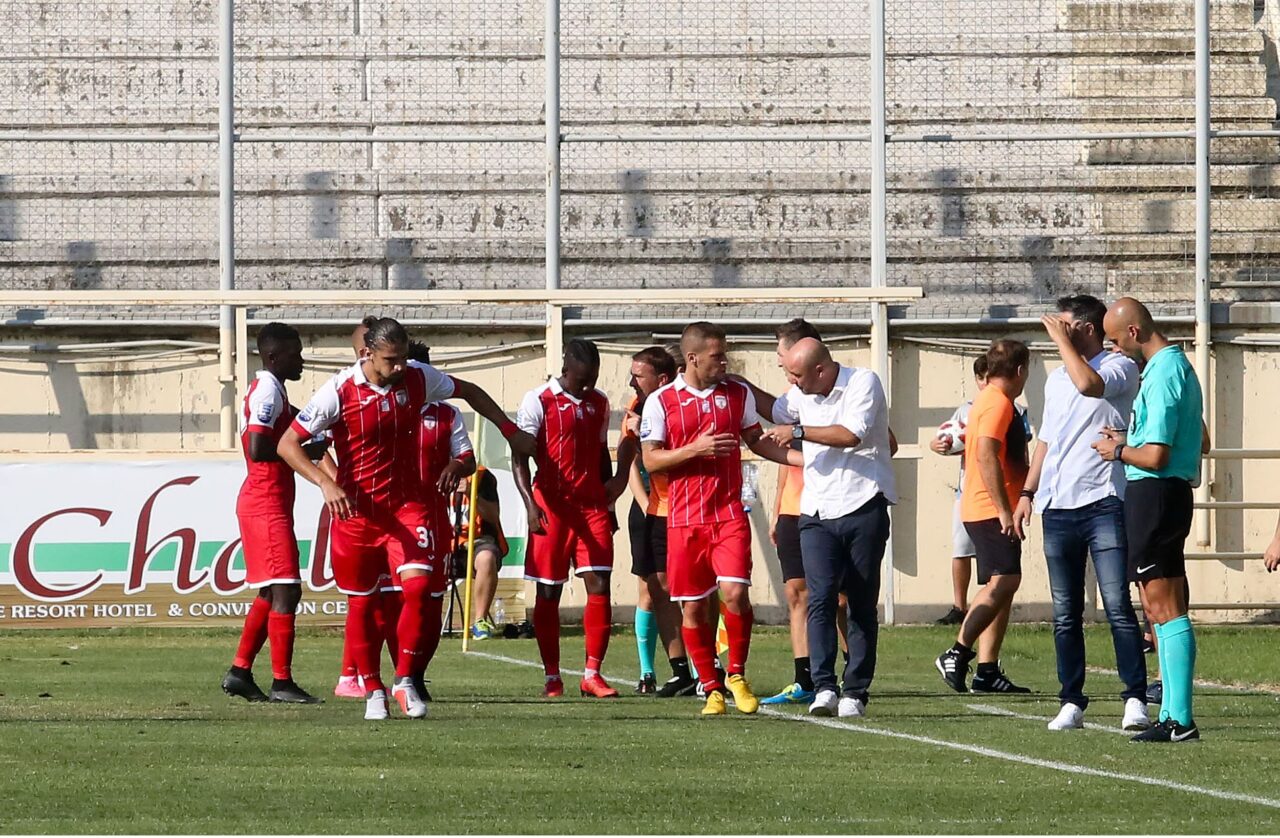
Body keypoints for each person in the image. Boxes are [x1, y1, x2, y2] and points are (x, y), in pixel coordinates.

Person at [277, 316, 534, 720]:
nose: (400, 367)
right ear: (367, 354)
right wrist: (325, 483)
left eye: (403, 358)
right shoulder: (338, 391)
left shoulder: (418, 377)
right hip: (359, 513)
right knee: (363, 603)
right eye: (391, 360)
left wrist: (509, 429)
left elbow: (471, 391)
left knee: (418, 588)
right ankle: (372, 689)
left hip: (407, 506)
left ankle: (405, 680)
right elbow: (288, 443)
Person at [640, 321, 800, 716]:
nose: (725, 361)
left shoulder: (736, 394)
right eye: (717, 356)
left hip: (728, 515)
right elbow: (651, 459)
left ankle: (736, 675)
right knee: (694, 609)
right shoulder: (661, 401)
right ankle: (710, 687)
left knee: (736, 593)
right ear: (692, 358)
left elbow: (756, 441)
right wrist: (695, 449)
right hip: (683, 520)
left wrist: (805, 460)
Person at [1014, 295, 1149, 732]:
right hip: (1058, 506)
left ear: (1087, 329)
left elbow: (1091, 385)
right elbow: (1047, 441)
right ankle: (1071, 700)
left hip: (1104, 501)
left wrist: (1061, 340)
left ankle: (1135, 698)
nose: (1056, 330)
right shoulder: (1056, 380)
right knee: (1066, 612)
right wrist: (1028, 492)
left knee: (1117, 605)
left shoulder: (1119, 366)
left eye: (1066, 324)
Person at [762, 338, 896, 718]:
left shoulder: (863, 382)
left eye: (797, 374)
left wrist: (798, 432)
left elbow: (851, 434)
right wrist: (735, 385)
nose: (792, 382)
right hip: (817, 513)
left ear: (820, 370)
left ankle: (855, 691)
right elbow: (771, 408)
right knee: (819, 598)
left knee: (859, 602)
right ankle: (823, 687)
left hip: (863, 504)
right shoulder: (799, 393)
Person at [1094, 297, 1204, 743]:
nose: (1115, 349)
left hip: (1156, 495)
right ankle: (1173, 714)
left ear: (1134, 332)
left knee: (1165, 607)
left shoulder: (1162, 372)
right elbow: (1199, 438)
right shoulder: (1173, 367)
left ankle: (1180, 718)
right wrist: (1129, 437)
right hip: (1161, 496)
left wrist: (1119, 450)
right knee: (1159, 608)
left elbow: (1156, 456)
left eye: (1116, 341)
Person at [513, 338, 630, 698]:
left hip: (591, 506)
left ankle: (592, 674)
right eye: (582, 379)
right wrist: (530, 506)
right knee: (549, 590)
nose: (587, 386)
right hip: (551, 505)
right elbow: (519, 457)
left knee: (600, 583)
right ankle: (552, 676)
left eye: (593, 379)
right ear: (566, 369)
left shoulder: (599, 402)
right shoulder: (538, 400)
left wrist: (609, 506)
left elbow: (600, 454)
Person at [222, 322, 322, 704]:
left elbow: (299, 426)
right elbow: (258, 447)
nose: (302, 361)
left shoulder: (273, 389)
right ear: (274, 356)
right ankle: (282, 682)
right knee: (286, 590)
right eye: (296, 354)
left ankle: (240, 672)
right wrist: (305, 452)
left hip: (269, 501)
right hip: (265, 503)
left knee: (271, 590)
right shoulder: (266, 390)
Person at [935, 339, 1032, 694]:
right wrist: (1004, 509)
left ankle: (987, 671)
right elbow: (986, 455)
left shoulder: (993, 400)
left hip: (992, 506)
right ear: (1020, 370)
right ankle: (957, 652)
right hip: (988, 508)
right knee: (1004, 580)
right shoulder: (997, 403)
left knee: (1002, 584)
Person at [625, 346, 697, 696]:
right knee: (653, 589)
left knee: (696, 590)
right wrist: (645, 504)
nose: (632, 382)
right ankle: (655, 670)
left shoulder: (682, 405)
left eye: (638, 376)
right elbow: (631, 463)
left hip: (686, 509)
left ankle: (706, 669)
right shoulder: (636, 408)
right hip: (650, 509)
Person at [759, 318, 823, 706]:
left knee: (837, 599)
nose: (779, 361)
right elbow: (785, 458)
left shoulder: (834, 395)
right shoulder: (790, 399)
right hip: (792, 511)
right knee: (796, 594)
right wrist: (778, 508)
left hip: (828, 507)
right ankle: (804, 679)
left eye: (781, 354)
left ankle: (848, 672)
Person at [409, 341, 477, 699]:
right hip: (392, 517)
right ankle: (377, 675)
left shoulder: (447, 414)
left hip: (434, 516)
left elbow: (468, 458)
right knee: (394, 599)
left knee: (432, 598)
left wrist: (455, 465)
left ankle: (415, 674)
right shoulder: (384, 408)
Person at [451, 464, 508, 640]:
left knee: (486, 558)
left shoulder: (482, 477)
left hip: (479, 542)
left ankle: (480, 621)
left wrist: (471, 493)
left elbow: (493, 515)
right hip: (446, 544)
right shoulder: (431, 474)